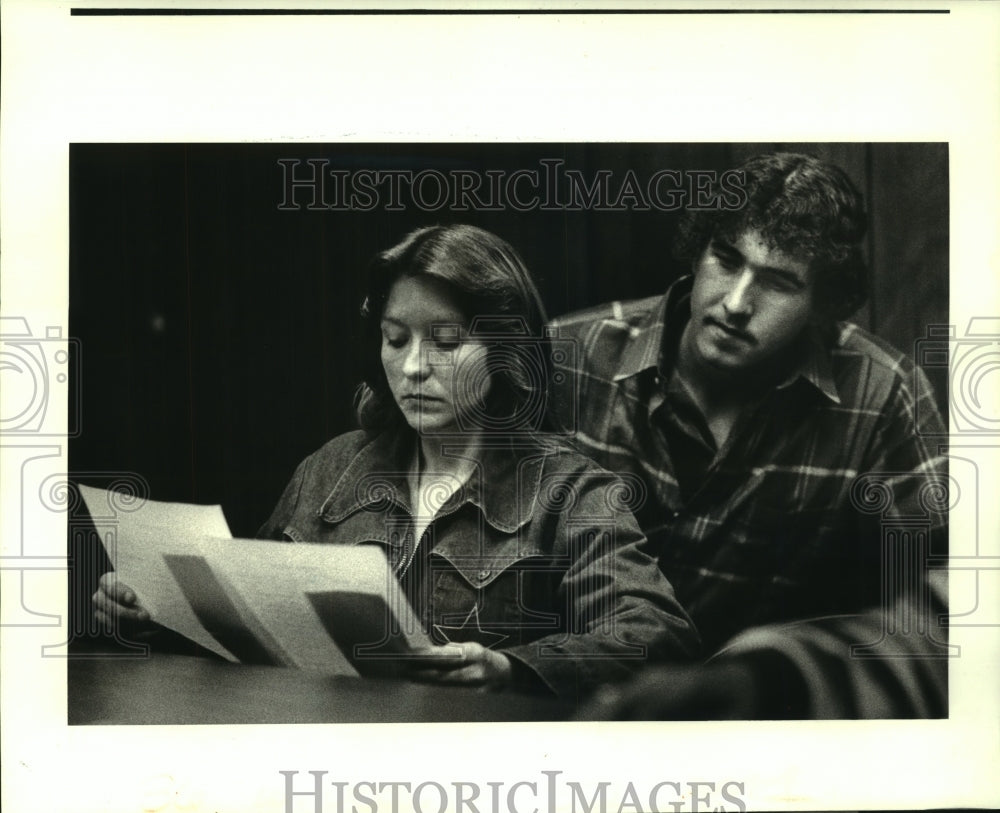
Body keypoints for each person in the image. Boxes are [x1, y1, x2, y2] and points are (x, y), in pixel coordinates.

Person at [94, 224, 699, 700]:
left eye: (446, 341)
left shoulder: (573, 494)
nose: (413, 367)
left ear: (507, 350)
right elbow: (248, 632)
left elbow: (658, 637)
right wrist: (157, 617)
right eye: (395, 338)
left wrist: (513, 668)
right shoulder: (328, 469)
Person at [550, 152, 949, 718]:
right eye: (726, 259)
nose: (736, 303)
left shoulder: (881, 393)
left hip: (750, 724)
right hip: (556, 712)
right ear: (698, 250)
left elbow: (952, 594)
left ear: (823, 305)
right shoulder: (568, 357)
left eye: (779, 283)